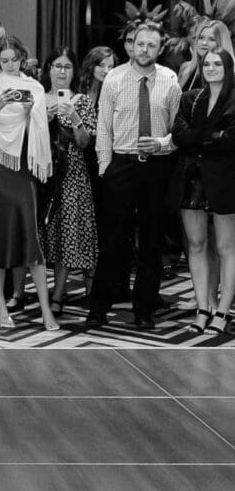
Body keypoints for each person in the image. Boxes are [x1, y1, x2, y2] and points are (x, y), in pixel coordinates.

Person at [86, 23, 181, 330]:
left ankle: (144, 309)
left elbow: (177, 129)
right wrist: (104, 167)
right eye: (140, 44)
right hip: (120, 167)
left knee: (152, 242)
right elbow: (103, 127)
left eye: (151, 45)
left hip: (155, 168)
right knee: (113, 241)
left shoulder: (170, 80)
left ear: (159, 49)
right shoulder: (114, 78)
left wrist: (162, 144)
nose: (145, 50)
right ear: (132, 46)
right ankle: (99, 307)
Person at [0, 36, 59, 330]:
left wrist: (32, 110)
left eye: (14, 59)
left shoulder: (33, 87)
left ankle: (46, 309)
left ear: (23, 58)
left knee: (30, 235)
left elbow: (41, 129)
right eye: (4, 60)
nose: (9, 64)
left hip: (23, 165)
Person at [172, 49, 235, 334]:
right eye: (207, 63)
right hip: (192, 178)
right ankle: (202, 308)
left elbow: (231, 141)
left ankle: (223, 310)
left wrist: (197, 138)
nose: (211, 68)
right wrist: (212, 138)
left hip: (226, 179)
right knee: (196, 246)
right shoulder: (189, 98)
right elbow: (178, 136)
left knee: (226, 247)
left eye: (217, 64)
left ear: (228, 67)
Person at [39, 47, 98, 315]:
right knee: (39, 235)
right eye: (57, 66)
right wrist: (43, 118)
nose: (62, 71)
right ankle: (25, 292)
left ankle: (58, 294)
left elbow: (86, 143)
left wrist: (74, 118)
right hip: (41, 172)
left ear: (74, 71)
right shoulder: (37, 97)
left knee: (67, 235)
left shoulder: (82, 101)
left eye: (67, 67)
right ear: (48, 68)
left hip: (72, 174)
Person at [178, 19, 235, 91]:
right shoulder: (185, 69)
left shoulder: (231, 74)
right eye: (201, 38)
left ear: (221, 43)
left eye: (211, 39)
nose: (204, 43)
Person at [78, 46, 118, 111]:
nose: (106, 71)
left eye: (110, 67)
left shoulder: (111, 91)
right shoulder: (77, 86)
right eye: (101, 65)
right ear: (90, 66)